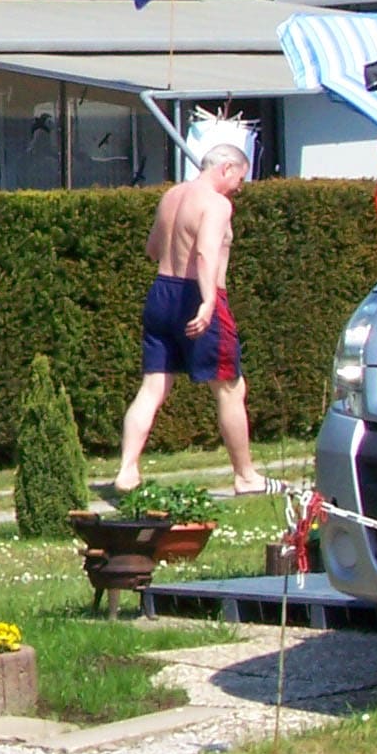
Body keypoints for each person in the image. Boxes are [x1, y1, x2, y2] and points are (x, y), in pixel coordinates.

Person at [114, 142, 266, 496]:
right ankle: (245, 476)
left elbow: (153, 248)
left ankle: (126, 470)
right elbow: (205, 251)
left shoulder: (172, 195)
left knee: (152, 388)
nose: (239, 187)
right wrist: (208, 301)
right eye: (239, 178)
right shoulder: (216, 203)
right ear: (226, 168)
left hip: (161, 293)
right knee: (229, 386)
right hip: (196, 294)